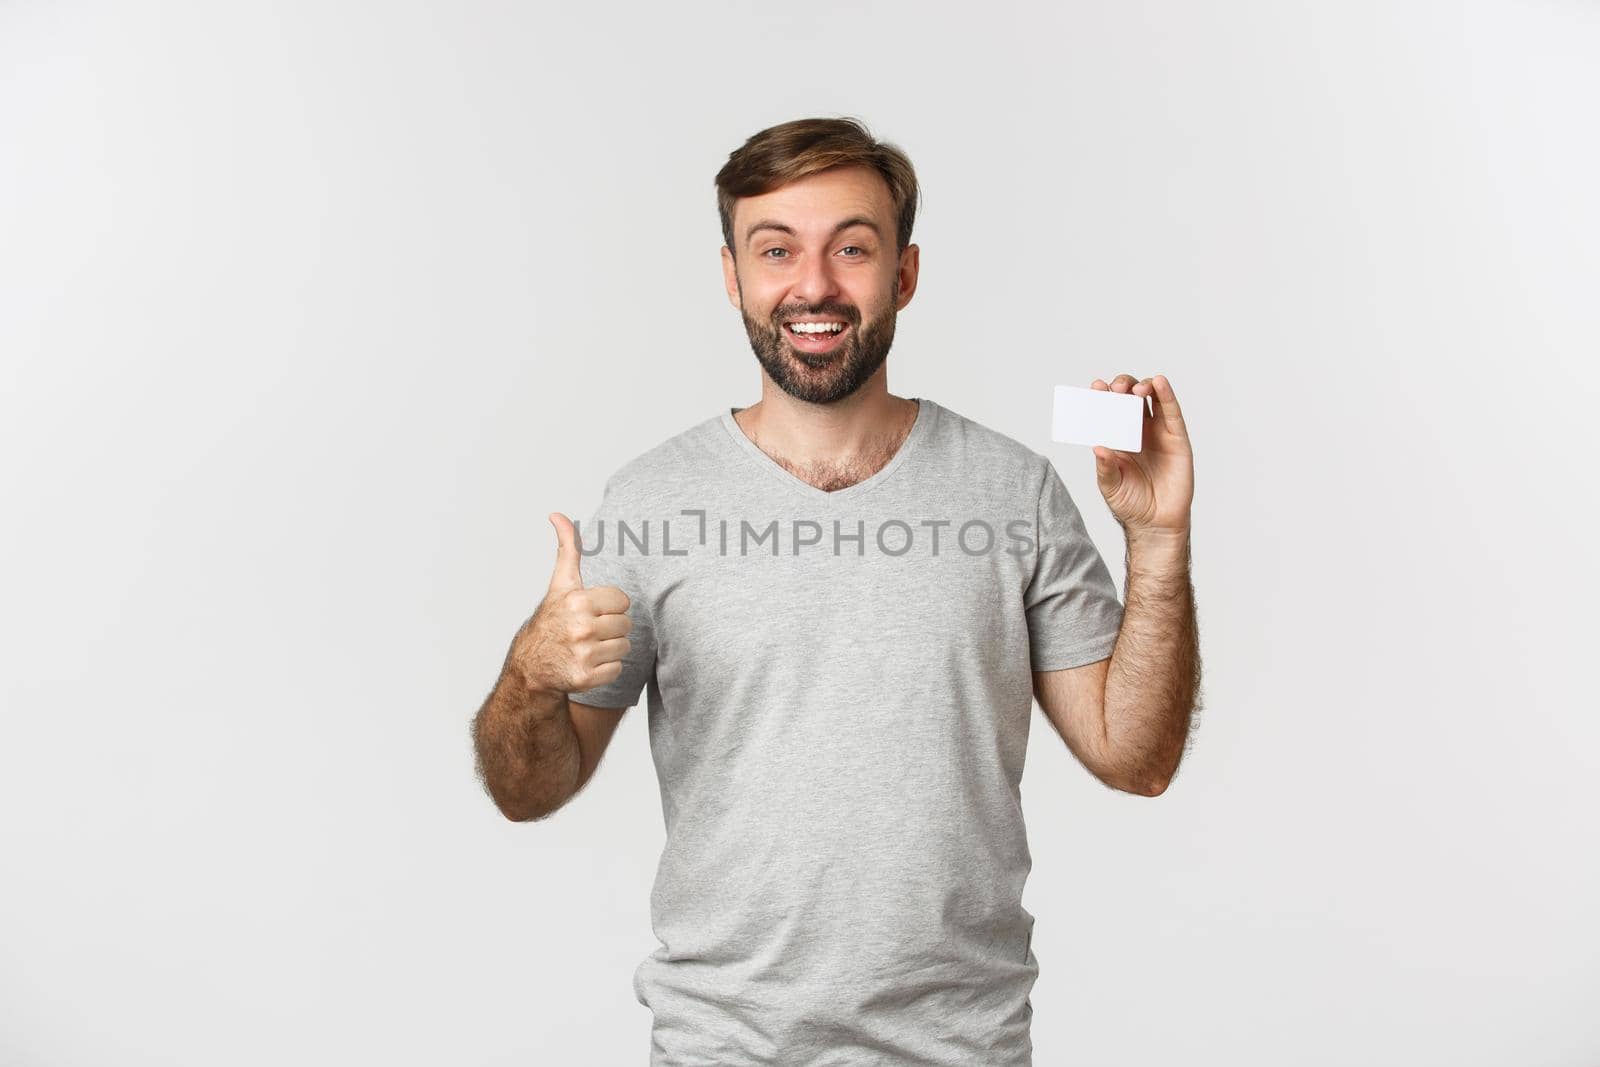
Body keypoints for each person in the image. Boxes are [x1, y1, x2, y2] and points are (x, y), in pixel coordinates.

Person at [472, 116, 1201, 1065]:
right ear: (733, 276)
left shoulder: (1011, 489)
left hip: (962, 1047)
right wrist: (530, 673)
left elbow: (1134, 756)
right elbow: (530, 790)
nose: (812, 285)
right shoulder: (650, 503)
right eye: (776, 250)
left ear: (904, 273)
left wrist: (1158, 540)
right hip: (721, 1047)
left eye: (851, 248)